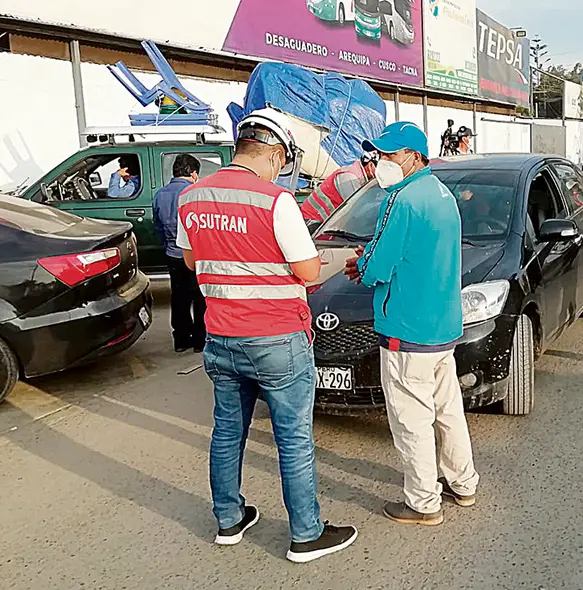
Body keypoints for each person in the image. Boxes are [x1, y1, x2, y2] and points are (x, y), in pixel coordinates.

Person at [176, 107, 358, 564]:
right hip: (276, 338)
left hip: (219, 336)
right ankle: (305, 534)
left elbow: (192, 263)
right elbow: (309, 269)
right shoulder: (275, 201)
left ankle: (229, 520)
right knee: (293, 437)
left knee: (227, 432)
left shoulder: (192, 197)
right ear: (276, 154)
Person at [344, 121, 479, 526]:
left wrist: (363, 263)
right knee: (447, 410)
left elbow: (378, 266)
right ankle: (463, 484)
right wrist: (372, 259)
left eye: (390, 154)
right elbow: (412, 251)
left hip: (407, 328)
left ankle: (423, 503)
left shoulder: (402, 199)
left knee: (411, 419)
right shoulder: (441, 195)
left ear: (414, 156)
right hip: (440, 325)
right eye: (380, 154)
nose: (382, 161)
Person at [152, 153, 206, 353]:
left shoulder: (160, 194)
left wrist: (166, 245)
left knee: (179, 296)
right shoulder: (195, 192)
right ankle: (201, 341)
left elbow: (157, 226)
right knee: (200, 298)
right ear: (193, 173)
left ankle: (182, 340)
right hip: (196, 255)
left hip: (173, 254)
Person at [299, 152, 377, 223]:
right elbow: (357, 212)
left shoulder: (364, 178)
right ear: (370, 165)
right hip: (312, 222)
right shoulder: (350, 177)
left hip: (324, 224)